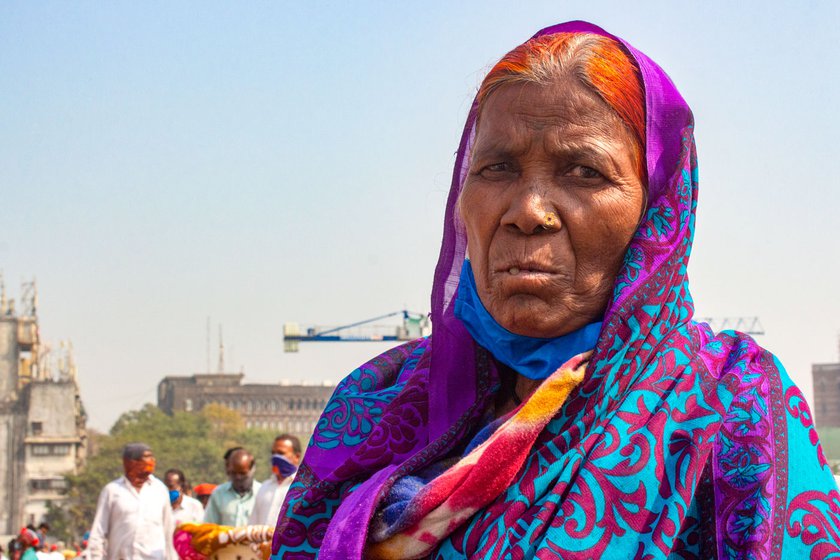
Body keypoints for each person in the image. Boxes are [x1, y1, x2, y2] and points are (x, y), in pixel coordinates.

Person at [270, 21, 840, 559]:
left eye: (583, 172)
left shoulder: (732, 407)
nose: (527, 211)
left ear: (659, 211)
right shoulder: (376, 406)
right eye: (496, 168)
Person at [87, 443, 175, 560]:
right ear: (131, 462)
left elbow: (168, 531)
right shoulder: (112, 491)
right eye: (146, 457)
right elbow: (98, 532)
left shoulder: (159, 490)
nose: (152, 461)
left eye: (152, 457)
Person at [248, 435, 302, 526]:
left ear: (296, 457)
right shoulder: (264, 487)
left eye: (281, 453)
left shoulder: (302, 488)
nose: (275, 457)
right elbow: (253, 524)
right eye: (273, 453)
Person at [203, 448, 261, 526]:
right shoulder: (219, 494)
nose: (238, 477)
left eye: (242, 473)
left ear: (252, 470)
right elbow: (209, 526)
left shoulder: (262, 493)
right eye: (234, 473)